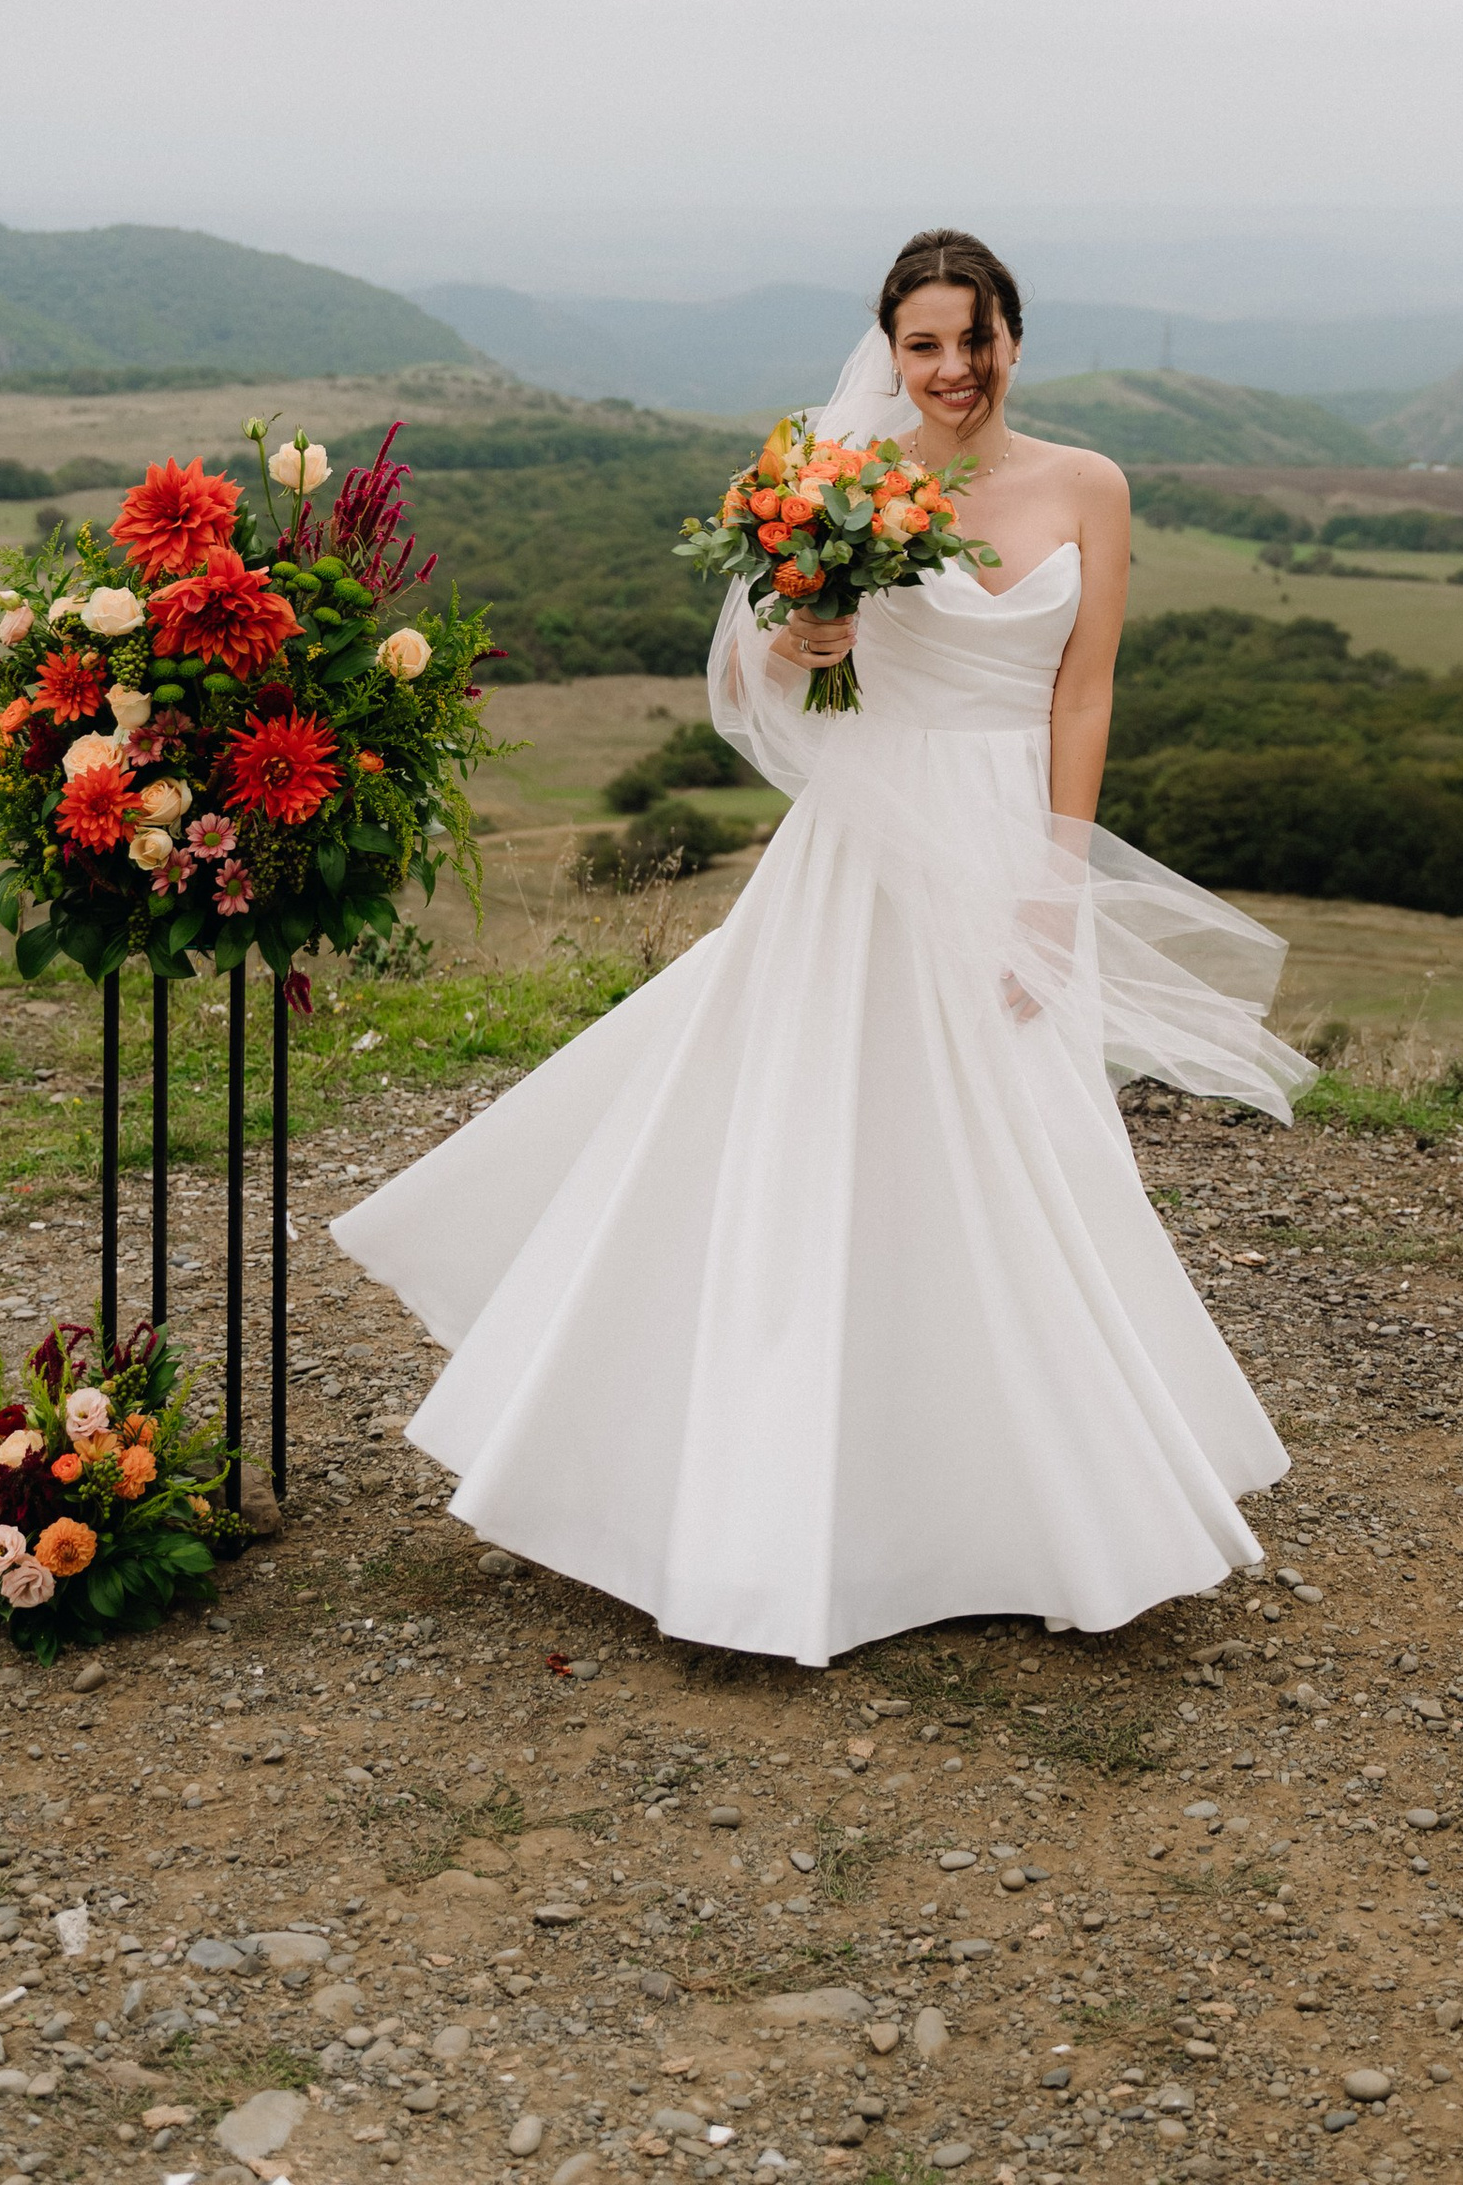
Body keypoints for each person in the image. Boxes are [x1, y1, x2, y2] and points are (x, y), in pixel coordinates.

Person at [331, 225, 1308, 1667]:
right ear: (892, 350)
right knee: (821, 1148)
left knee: (1025, 1154)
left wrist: (1053, 883)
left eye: (976, 339)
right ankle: (785, 1512)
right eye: (925, 344)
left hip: (1007, 846)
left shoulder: (1091, 488)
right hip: (868, 851)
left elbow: (1083, 696)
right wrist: (806, 644)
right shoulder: (840, 486)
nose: (954, 369)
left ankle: (1038, 1511)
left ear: (1015, 340)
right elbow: (751, 669)